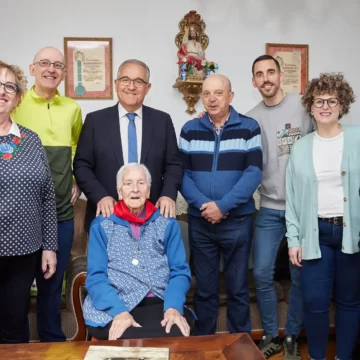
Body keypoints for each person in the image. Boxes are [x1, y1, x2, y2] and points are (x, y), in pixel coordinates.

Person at [178, 74, 262, 335]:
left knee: (238, 289)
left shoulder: (249, 127)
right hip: (201, 222)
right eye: (206, 93)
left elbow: (253, 173)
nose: (212, 99)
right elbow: (181, 173)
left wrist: (223, 206)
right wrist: (205, 205)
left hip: (237, 221)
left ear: (230, 96)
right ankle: (205, 346)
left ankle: (241, 345)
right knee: (204, 290)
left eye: (218, 93)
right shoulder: (189, 129)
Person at [286, 73, 360, 360]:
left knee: (349, 302)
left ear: (342, 104)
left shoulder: (356, 137)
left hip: (351, 234)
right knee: (314, 302)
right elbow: (292, 199)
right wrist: (294, 238)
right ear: (311, 105)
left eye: (332, 100)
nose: (325, 106)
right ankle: (317, 357)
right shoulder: (301, 147)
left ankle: (343, 357)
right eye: (319, 100)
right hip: (315, 234)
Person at [12, 46, 83, 342]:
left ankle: (52, 345)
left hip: (61, 214)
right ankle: (15, 346)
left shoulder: (73, 109)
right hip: (22, 216)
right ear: (32, 69)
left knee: (52, 287)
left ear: (64, 73)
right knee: (15, 289)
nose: (51, 69)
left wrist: (77, 178)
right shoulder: (15, 105)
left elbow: (78, 148)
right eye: (44, 63)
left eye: (57, 65)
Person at [246, 54, 314, 358]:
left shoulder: (304, 107)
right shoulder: (250, 118)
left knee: (301, 275)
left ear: (280, 75)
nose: (266, 79)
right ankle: (272, 335)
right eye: (259, 75)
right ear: (254, 81)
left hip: (303, 209)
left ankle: (292, 338)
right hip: (270, 209)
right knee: (261, 272)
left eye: (270, 72)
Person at [83, 163, 193, 340]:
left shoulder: (166, 223)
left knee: (176, 331)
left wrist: (172, 307)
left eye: (141, 183)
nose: (135, 189)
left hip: (160, 303)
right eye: (128, 184)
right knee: (125, 336)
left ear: (149, 191)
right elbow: (96, 277)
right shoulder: (101, 225)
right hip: (117, 304)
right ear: (119, 191)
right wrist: (119, 312)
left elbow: (179, 271)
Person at [74, 59, 183, 232]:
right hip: (106, 217)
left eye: (138, 81)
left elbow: (173, 165)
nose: (131, 87)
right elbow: (81, 165)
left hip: (152, 217)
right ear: (116, 84)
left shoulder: (162, 121)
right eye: (125, 80)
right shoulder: (95, 121)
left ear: (147, 88)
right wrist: (100, 197)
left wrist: (168, 195)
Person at [0, 61, 57, 344]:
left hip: (24, 253)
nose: (2, 91)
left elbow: (47, 195)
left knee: (14, 324)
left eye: (9, 86)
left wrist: (49, 246)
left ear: (18, 97)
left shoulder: (31, 140)